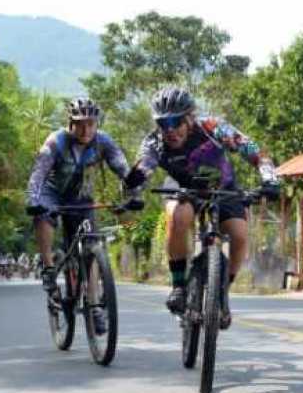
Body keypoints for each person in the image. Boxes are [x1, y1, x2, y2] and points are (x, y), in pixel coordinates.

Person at [124, 87, 279, 328]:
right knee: (179, 215)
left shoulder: (212, 128)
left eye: (176, 122)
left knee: (238, 234)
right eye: (163, 124)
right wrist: (134, 185)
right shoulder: (154, 142)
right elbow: (144, 167)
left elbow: (255, 151)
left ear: (190, 118)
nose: (170, 130)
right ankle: (178, 286)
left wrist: (269, 179)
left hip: (222, 185)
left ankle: (222, 291)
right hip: (183, 188)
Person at [25, 97, 142, 332]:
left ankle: (94, 304)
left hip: (81, 198)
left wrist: (134, 195)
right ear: (70, 123)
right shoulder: (55, 142)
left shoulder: (104, 142)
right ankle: (49, 269)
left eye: (91, 123)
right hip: (52, 193)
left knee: (93, 244)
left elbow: (124, 170)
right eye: (80, 123)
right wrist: (33, 200)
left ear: (97, 124)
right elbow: (38, 174)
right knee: (44, 218)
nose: (86, 129)